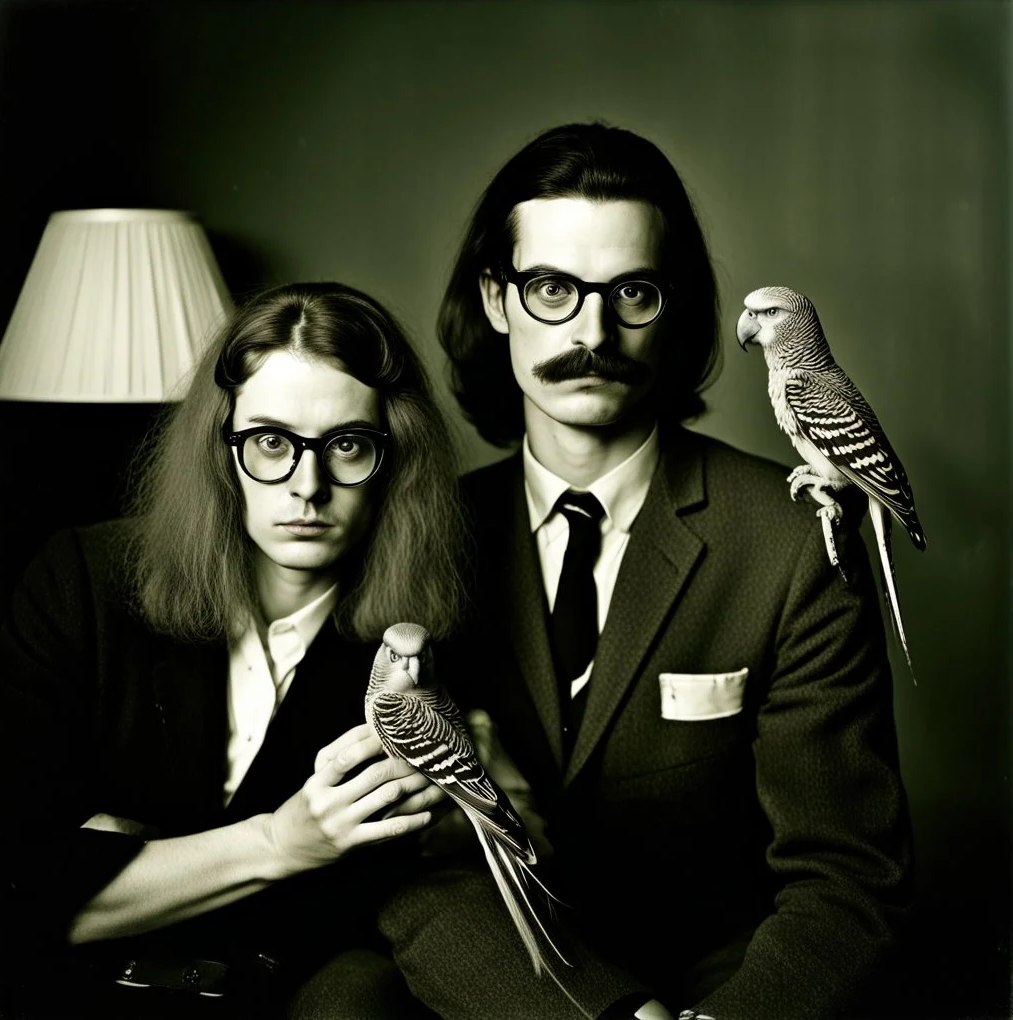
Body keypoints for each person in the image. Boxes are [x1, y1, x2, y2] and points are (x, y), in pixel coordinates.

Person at [379, 123, 913, 1020]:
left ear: (679, 308)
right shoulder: (413, 536)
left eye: (632, 292)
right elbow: (403, 864)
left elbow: (846, 876)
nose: (593, 332)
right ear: (496, 300)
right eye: (551, 287)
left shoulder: (789, 542)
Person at [0, 282, 469, 1019]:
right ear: (223, 451)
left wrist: (126, 858)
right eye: (271, 442)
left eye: (347, 445)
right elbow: (11, 890)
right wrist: (281, 844)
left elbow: (380, 902)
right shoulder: (81, 581)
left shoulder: (417, 651)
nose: (307, 487)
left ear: (392, 460)